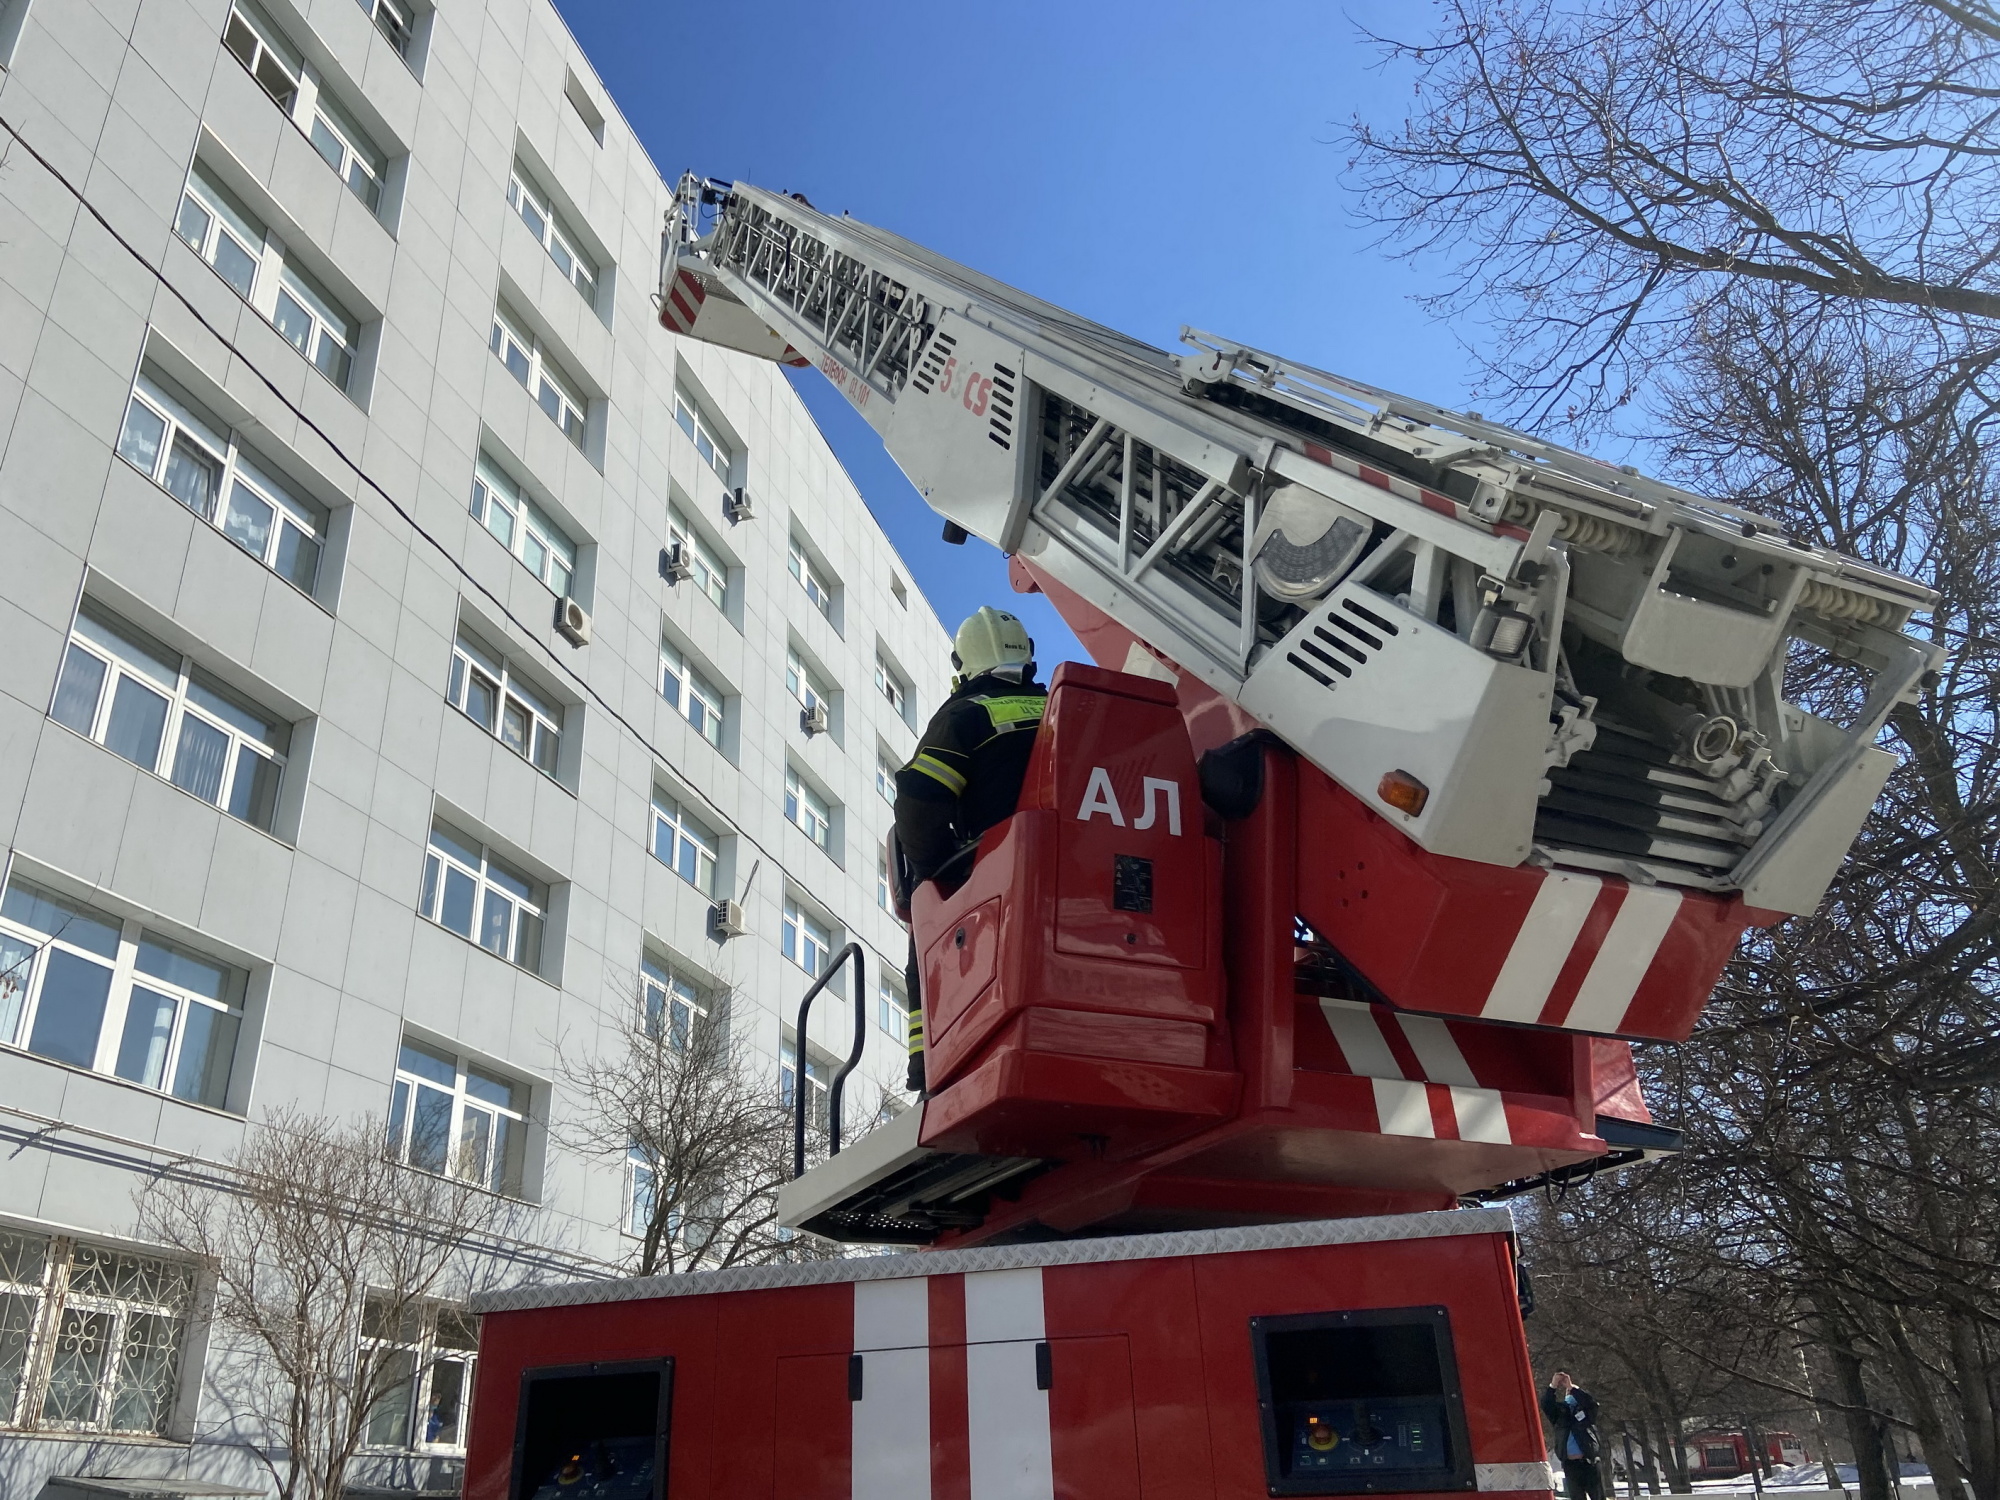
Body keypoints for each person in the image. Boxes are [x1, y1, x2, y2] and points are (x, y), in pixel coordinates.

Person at [893, 607, 1047, 1091]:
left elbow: (919, 805)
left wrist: (937, 871)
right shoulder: (1066, 705)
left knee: (924, 919)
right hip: (1085, 877)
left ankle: (928, 1067)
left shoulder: (966, 715)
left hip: (999, 880)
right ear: (1027, 655)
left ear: (964, 663)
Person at [1541, 1371, 1606, 1500]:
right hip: (1571, 1465)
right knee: (1577, 1496)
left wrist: (1571, 1387)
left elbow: (1591, 1403)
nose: (1570, 1395)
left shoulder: (1586, 1413)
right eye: (1569, 1393)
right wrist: (1553, 1386)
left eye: (1573, 1393)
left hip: (1589, 1462)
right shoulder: (1559, 1414)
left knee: (1598, 1496)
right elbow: (1546, 1404)